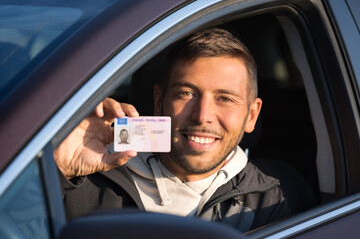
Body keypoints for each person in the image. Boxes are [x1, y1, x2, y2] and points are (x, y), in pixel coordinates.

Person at [54, 27, 290, 232]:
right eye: (186, 93)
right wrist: (59, 168)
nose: (202, 115)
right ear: (159, 101)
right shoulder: (85, 180)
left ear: (251, 115)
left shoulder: (267, 202)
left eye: (225, 98)